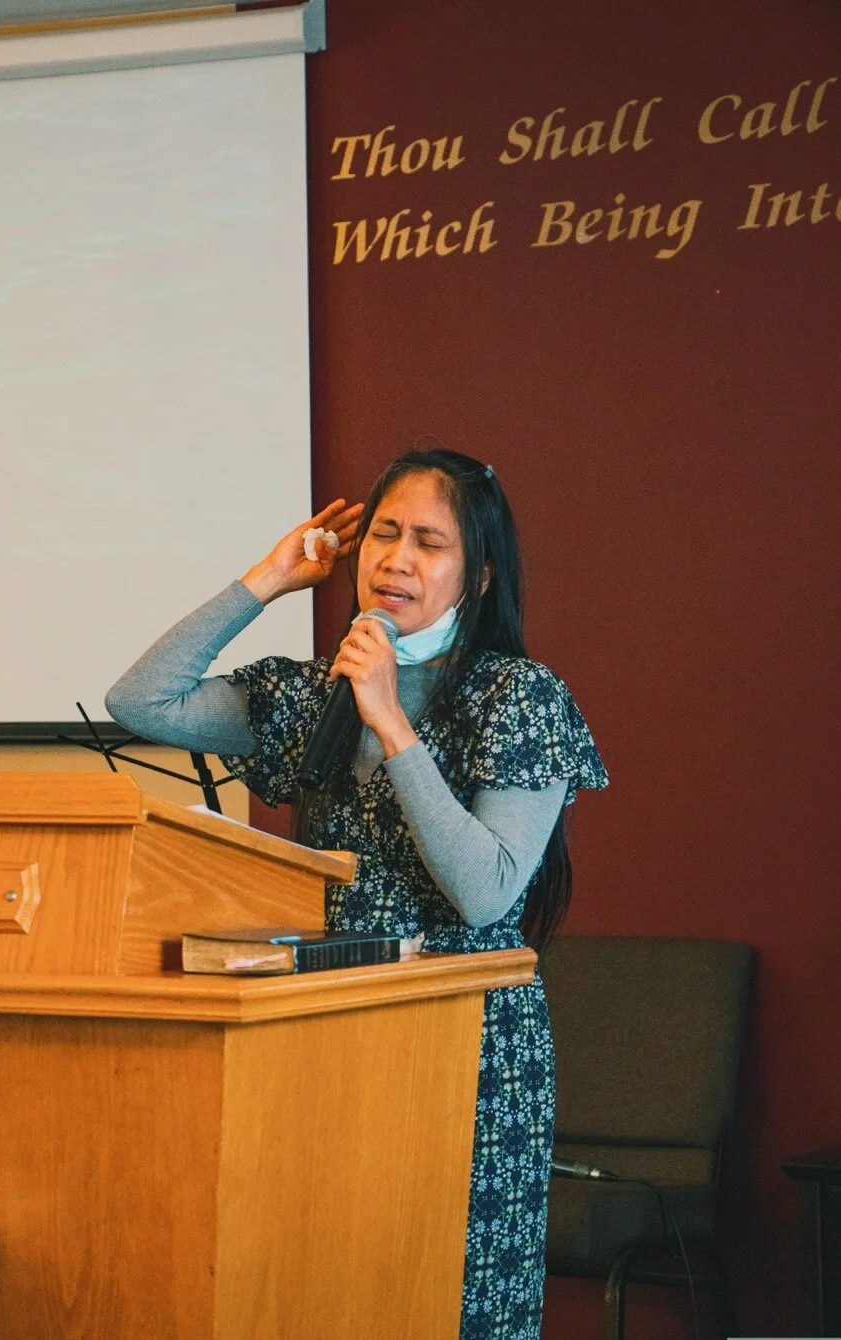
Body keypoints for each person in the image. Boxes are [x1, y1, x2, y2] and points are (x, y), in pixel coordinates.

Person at [105, 447, 608, 1339]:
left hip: (464, 1042)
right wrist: (267, 581)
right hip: (328, 1026)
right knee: (332, 1286)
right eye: (382, 534)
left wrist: (391, 720)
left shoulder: (519, 698)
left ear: (479, 575)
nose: (395, 560)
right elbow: (141, 700)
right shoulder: (313, 693)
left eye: (428, 543)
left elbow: (485, 893)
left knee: (452, 1297)